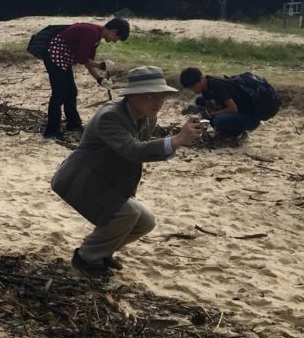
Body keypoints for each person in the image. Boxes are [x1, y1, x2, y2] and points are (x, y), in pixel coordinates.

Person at [52, 66, 202, 278]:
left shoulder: (148, 117)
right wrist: (176, 140)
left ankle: (101, 251)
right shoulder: (110, 116)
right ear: (132, 96)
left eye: (161, 96)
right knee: (128, 213)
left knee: (146, 221)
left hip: (106, 180)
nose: (157, 102)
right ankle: (86, 257)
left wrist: (175, 142)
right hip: (80, 180)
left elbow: (136, 149)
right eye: (149, 96)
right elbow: (133, 150)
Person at [42, 17, 129, 139]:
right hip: (54, 56)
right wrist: (102, 65)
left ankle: (74, 124)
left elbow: (88, 61)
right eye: (117, 38)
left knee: (71, 92)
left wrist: (100, 80)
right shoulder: (91, 32)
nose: (115, 41)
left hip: (64, 60)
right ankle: (51, 131)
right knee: (59, 94)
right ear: (114, 31)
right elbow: (81, 59)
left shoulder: (97, 36)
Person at [178, 68, 269, 144]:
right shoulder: (206, 89)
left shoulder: (217, 85)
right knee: (200, 102)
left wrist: (210, 114)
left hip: (250, 118)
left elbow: (233, 109)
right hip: (237, 116)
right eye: (190, 88)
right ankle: (226, 134)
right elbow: (210, 108)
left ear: (201, 79)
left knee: (218, 119)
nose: (193, 90)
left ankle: (239, 135)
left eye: (194, 86)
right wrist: (204, 112)